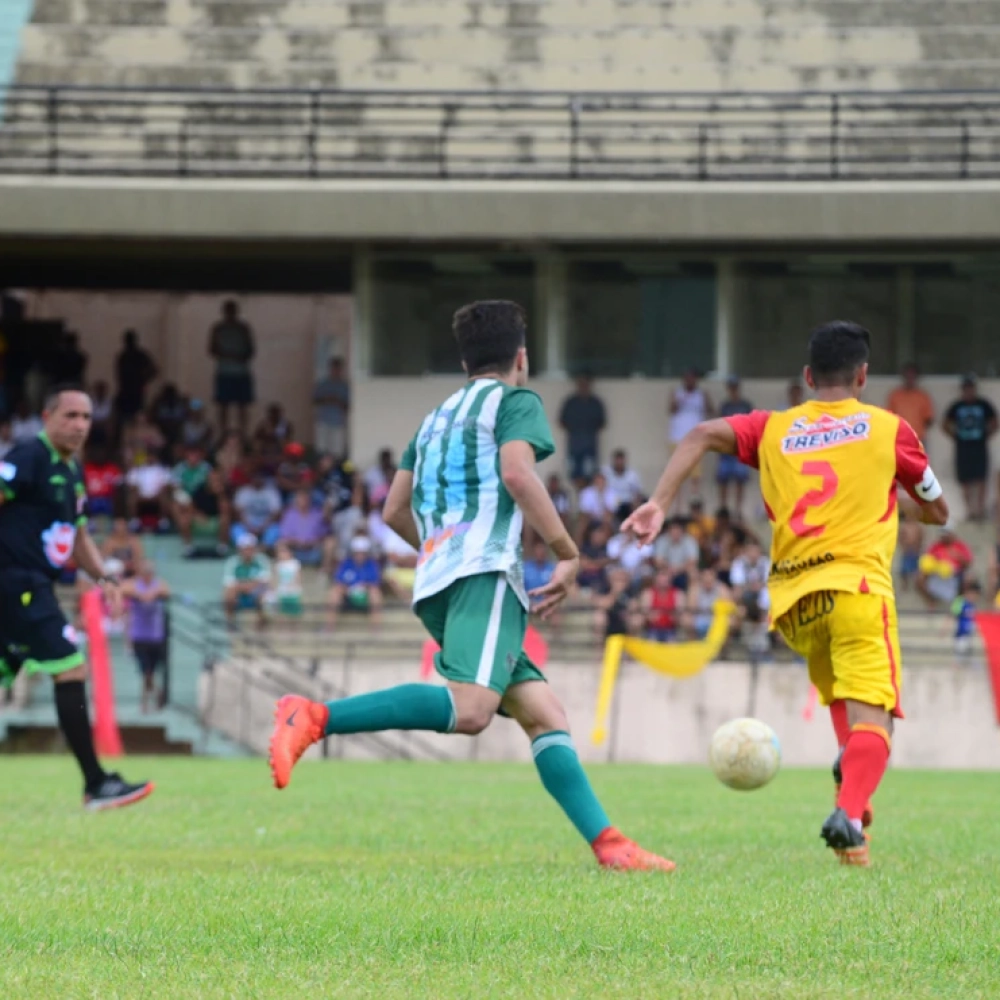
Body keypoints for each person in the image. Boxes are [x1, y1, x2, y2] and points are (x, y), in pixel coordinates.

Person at [269, 299, 673, 872]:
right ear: (521, 357)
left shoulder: (435, 419)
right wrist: (567, 551)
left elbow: (392, 510)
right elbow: (516, 472)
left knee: (544, 714)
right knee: (473, 709)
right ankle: (313, 716)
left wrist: (438, 551)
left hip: (439, 581)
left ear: (464, 360)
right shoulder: (516, 401)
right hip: (482, 574)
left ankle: (610, 846)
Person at [625, 320, 949, 866]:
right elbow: (937, 511)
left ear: (806, 377)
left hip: (795, 606)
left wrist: (659, 501)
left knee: (846, 706)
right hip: (856, 590)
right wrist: (893, 495)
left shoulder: (773, 428)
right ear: (863, 376)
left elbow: (701, 433)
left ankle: (855, 823)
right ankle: (848, 811)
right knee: (878, 719)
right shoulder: (888, 428)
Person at [0, 384, 153, 809]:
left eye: (86, 417)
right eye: (70, 415)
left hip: (32, 585)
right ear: (47, 416)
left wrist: (104, 576)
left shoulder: (72, 471)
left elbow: (79, 534)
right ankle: (96, 783)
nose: (79, 425)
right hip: (17, 583)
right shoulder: (29, 455)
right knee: (70, 668)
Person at [944, 374, 998, 522]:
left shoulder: (983, 404)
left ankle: (980, 509)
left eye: (971, 388)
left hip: (980, 447)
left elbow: (994, 421)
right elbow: (945, 423)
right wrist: (955, 435)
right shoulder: (957, 406)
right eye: (966, 389)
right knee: (965, 480)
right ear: (963, 390)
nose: (969, 391)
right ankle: (970, 511)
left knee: (981, 478)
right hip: (963, 448)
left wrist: (987, 434)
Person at [121, 560, 170, 713]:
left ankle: (147, 701)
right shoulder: (133, 584)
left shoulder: (159, 584)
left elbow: (166, 591)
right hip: (139, 636)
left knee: (150, 672)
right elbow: (123, 589)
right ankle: (152, 697)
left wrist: (153, 593)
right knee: (145, 671)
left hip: (155, 636)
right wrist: (140, 594)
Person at [668, 369, 713, 510]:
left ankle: (694, 505)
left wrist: (707, 398)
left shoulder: (701, 395)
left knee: (695, 474)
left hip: (695, 440)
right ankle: (678, 507)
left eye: (692, 378)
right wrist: (674, 399)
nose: (689, 381)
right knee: (677, 474)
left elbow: (711, 411)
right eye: (687, 378)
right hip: (677, 438)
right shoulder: (677, 393)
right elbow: (671, 410)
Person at [209, 300, 255, 437]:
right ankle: (222, 433)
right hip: (224, 371)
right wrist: (226, 354)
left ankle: (244, 433)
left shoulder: (243, 328)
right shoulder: (218, 328)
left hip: (241, 372)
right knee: (223, 404)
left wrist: (239, 356)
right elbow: (212, 349)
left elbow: (251, 350)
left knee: (243, 405)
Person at [559, 373, 606, 489]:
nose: (583, 386)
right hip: (573, 447)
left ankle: (586, 504)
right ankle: (579, 504)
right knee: (574, 477)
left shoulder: (596, 403)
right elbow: (562, 422)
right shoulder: (570, 403)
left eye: (586, 384)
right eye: (581, 383)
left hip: (590, 447)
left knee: (589, 476)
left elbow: (602, 424)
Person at [327, 534, 383, 627]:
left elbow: (374, 583)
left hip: (365, 595)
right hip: (348, 594)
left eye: (362, 553)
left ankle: (376, 628)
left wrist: (363, 587)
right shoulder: (345, 563)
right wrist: (349, 589)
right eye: (357, 553)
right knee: (334, 592)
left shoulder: (372, 564)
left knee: (375, 593)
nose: (360, 555)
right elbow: (339, 581)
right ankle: (329, 627)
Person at [717, 375, 753, 516]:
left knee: (740, 479)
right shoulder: (724, 406)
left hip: (741, 446)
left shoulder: (745, 405)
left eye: (735, 387)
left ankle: (738, 509)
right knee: (723, 479)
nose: (733, 390)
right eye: (731, 387)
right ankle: (723, 508)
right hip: (726, 447)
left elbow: (752, 425)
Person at [174, 467, 230, 557]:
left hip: (215, 520)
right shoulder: (200, 489)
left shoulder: (224, 491)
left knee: (225, 519)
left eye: (216, 479)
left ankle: (222, 549)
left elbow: (225, 511)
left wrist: (220, 494)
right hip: (199, 519)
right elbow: (191, 507)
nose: (214, 481)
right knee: (184, 520)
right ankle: (189, 548)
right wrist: (197, 515)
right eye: (212, 479)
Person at [916, 523, 973, 609]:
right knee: (919, 577)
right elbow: (927, 561)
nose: (944, 536)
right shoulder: (936, 546)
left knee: (968, 578)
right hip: (937, 574)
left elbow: (968, 563)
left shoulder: (960, 546)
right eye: (943, 534)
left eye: (947, 534)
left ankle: (958, 604)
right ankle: (931, 601)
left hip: (955, 575)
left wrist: (959, 558)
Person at [222, 534, 270, 629]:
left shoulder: (262, 560)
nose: (248, 551)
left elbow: (265, 581)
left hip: (255, 592)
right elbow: (229, 584)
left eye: (250, 548)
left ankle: (262, 622)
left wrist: (243, 585)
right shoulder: (232, 562)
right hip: (239, 594)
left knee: (263, 591)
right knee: (229, 593)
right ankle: (230, 622)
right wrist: (251, 584)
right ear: (239, 549)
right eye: (245, 548)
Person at [114, 331, 157, 433]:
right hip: (126, 392)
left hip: (136, 391)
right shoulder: (123, 356)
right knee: (123, 421)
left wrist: (144, 380)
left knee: (136, 419)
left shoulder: (139, 355)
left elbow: (154, 370)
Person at [886, 363, 934, 448]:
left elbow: (929, 419)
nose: (910, 378)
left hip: (918, 439)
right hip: (900, 439)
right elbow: (889, 416)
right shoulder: (895, 395)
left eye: (912, 376)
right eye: (908, 375)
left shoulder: (922, 396)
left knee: (919, 461)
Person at [233, 469, 282, 549]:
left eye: (260, 478)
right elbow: (238, 512)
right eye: (255, 478)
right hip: (247, 523)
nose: (257, 480)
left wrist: (263, 527)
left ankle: (263, 549)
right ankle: (244, 550)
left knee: (276, 529)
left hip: (266, 523)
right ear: (251, 478)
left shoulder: (271, 492)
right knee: (236, 528)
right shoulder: (244, 491)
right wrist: (248, 526)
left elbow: (276, 513)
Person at [278, 487, 327, 567]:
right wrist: (297, 542)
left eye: (305, 498)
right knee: (280, 543)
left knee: (330, 542)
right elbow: (284, 535)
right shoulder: (289, 514)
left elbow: (324, 534)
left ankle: (324, 572)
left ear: (310, 500)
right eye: (301, 498)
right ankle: (284, 568)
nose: (303, 501)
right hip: (295, 548)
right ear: (296, 500)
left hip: (314, 548)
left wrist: (311, 542)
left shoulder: (318, 513)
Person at [313, 357, 350, 459]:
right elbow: (315, 401)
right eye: (333, 368)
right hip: (323, 421)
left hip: (338, 422)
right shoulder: (323, 384)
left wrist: (337, 401)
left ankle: (335, 472)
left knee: (337, 452)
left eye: (337, 369)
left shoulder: (344, 386)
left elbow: (348, 406)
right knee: (321, 450)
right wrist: (326, 399)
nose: (335, 371)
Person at [641, 569, 684, 642]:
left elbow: (680, 612)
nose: (663, 582)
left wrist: (675, 616)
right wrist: (649, 616)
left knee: (671, 645)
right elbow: (644, 611)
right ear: (656, 580)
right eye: (661, 579)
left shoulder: (678, 594)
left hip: (671, 629)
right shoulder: (648, 593)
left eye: (665, 579)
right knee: (652, 643)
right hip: (653, 628)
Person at [83, 445, 123, 521]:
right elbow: (82, 485)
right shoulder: (87, 468)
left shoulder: (112, 468)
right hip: (92, 499)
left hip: (108, 498)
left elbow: (119, 485)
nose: (99, 456)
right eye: (97, 454)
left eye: (101, 454)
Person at [603, 448, 643, 519]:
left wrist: (636, 502)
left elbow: (637, 492)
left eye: (621, 460)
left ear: (624, 460)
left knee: (640, 503)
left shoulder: (632, 474)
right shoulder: (606, 472)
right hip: (611, 502)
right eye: (617, 460)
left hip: (627, 502)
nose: (619, 463)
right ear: (614, 460)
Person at [269, 541, 304, 617]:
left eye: (284, 551)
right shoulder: (277, 565)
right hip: (282, 591)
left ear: (290, 552)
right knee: (282, 612)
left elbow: (298, 577)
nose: (281, 554)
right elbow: (275, 578)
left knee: (294, 613)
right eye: (279, 552)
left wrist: (295, 586)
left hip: (293, 590)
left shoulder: (295, 563)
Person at [897, 504, 924, 592]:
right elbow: (901, 537)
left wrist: (918, 547)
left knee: (916, 568)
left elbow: (921, 537)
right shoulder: (904, 527)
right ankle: (905, 585)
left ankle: (915, 584)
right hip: (907, 550)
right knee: (903, 570)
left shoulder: (917, 527)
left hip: (915, 550)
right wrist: (903, 546)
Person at [951, 579, 980, 658]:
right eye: (971, 594)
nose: (973, 596)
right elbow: (954, 614)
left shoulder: (973, 605)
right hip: (961, 633)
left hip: (969, 633)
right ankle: (956, 665)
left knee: (967, 651)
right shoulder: (961, 603)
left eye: (975, 595)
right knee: (960, 651)